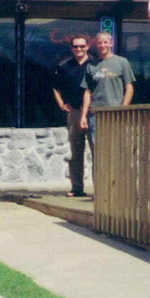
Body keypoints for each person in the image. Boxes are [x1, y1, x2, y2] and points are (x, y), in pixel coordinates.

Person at [52, 35, 93, 197]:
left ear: (88, 47)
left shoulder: (95, 64)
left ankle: (101, 189)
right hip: (75, 112)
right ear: (72, 48)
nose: (79, 49)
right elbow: (55, 87)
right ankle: (77, 187)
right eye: (76, 47)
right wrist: (62, 104)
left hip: (93, 112)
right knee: (76, 151)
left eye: (82, 46)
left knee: (98, 151)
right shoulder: (65, 66)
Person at [80, 32, 135, 144]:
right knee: (98, 146)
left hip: (115, 111)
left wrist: (123, 108)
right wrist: (84, 115)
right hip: (95, 112)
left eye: (105, 42)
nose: (102, 45)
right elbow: (87, 91)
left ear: (111, 43)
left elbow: (129, 87)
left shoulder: (122, 62)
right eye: (99, 43)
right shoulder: (91, 65)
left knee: (116, 144)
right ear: (96, 45)